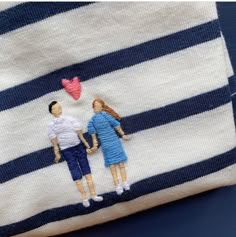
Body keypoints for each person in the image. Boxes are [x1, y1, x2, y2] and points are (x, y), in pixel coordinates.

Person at [48, 101, 103, 207]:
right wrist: (57, 153)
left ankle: (93, 194)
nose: (59, 109)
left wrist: (87, 145)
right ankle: (84, 197)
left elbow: (80, 135)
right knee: (75, 171)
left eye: (59, 107)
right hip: (66, 150)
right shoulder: (51, 125)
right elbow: (54, 141)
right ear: (52, 111)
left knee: (86, 168)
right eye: (56, 108)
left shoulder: (69, 119)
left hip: (78, 146)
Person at [87, 98, 130, 195]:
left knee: (121, 164)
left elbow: (116, 125)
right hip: (106, 145)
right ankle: (117, 186)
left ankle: (125, 182)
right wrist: (94, 146)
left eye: (98, 106)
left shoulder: (106, 116)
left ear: (102, 107)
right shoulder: (92, 121)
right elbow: (94, 136)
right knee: (112, 166)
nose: (96, 108)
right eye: (95, 107)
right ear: (93, 108)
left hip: (114, 141)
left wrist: (122, 134)